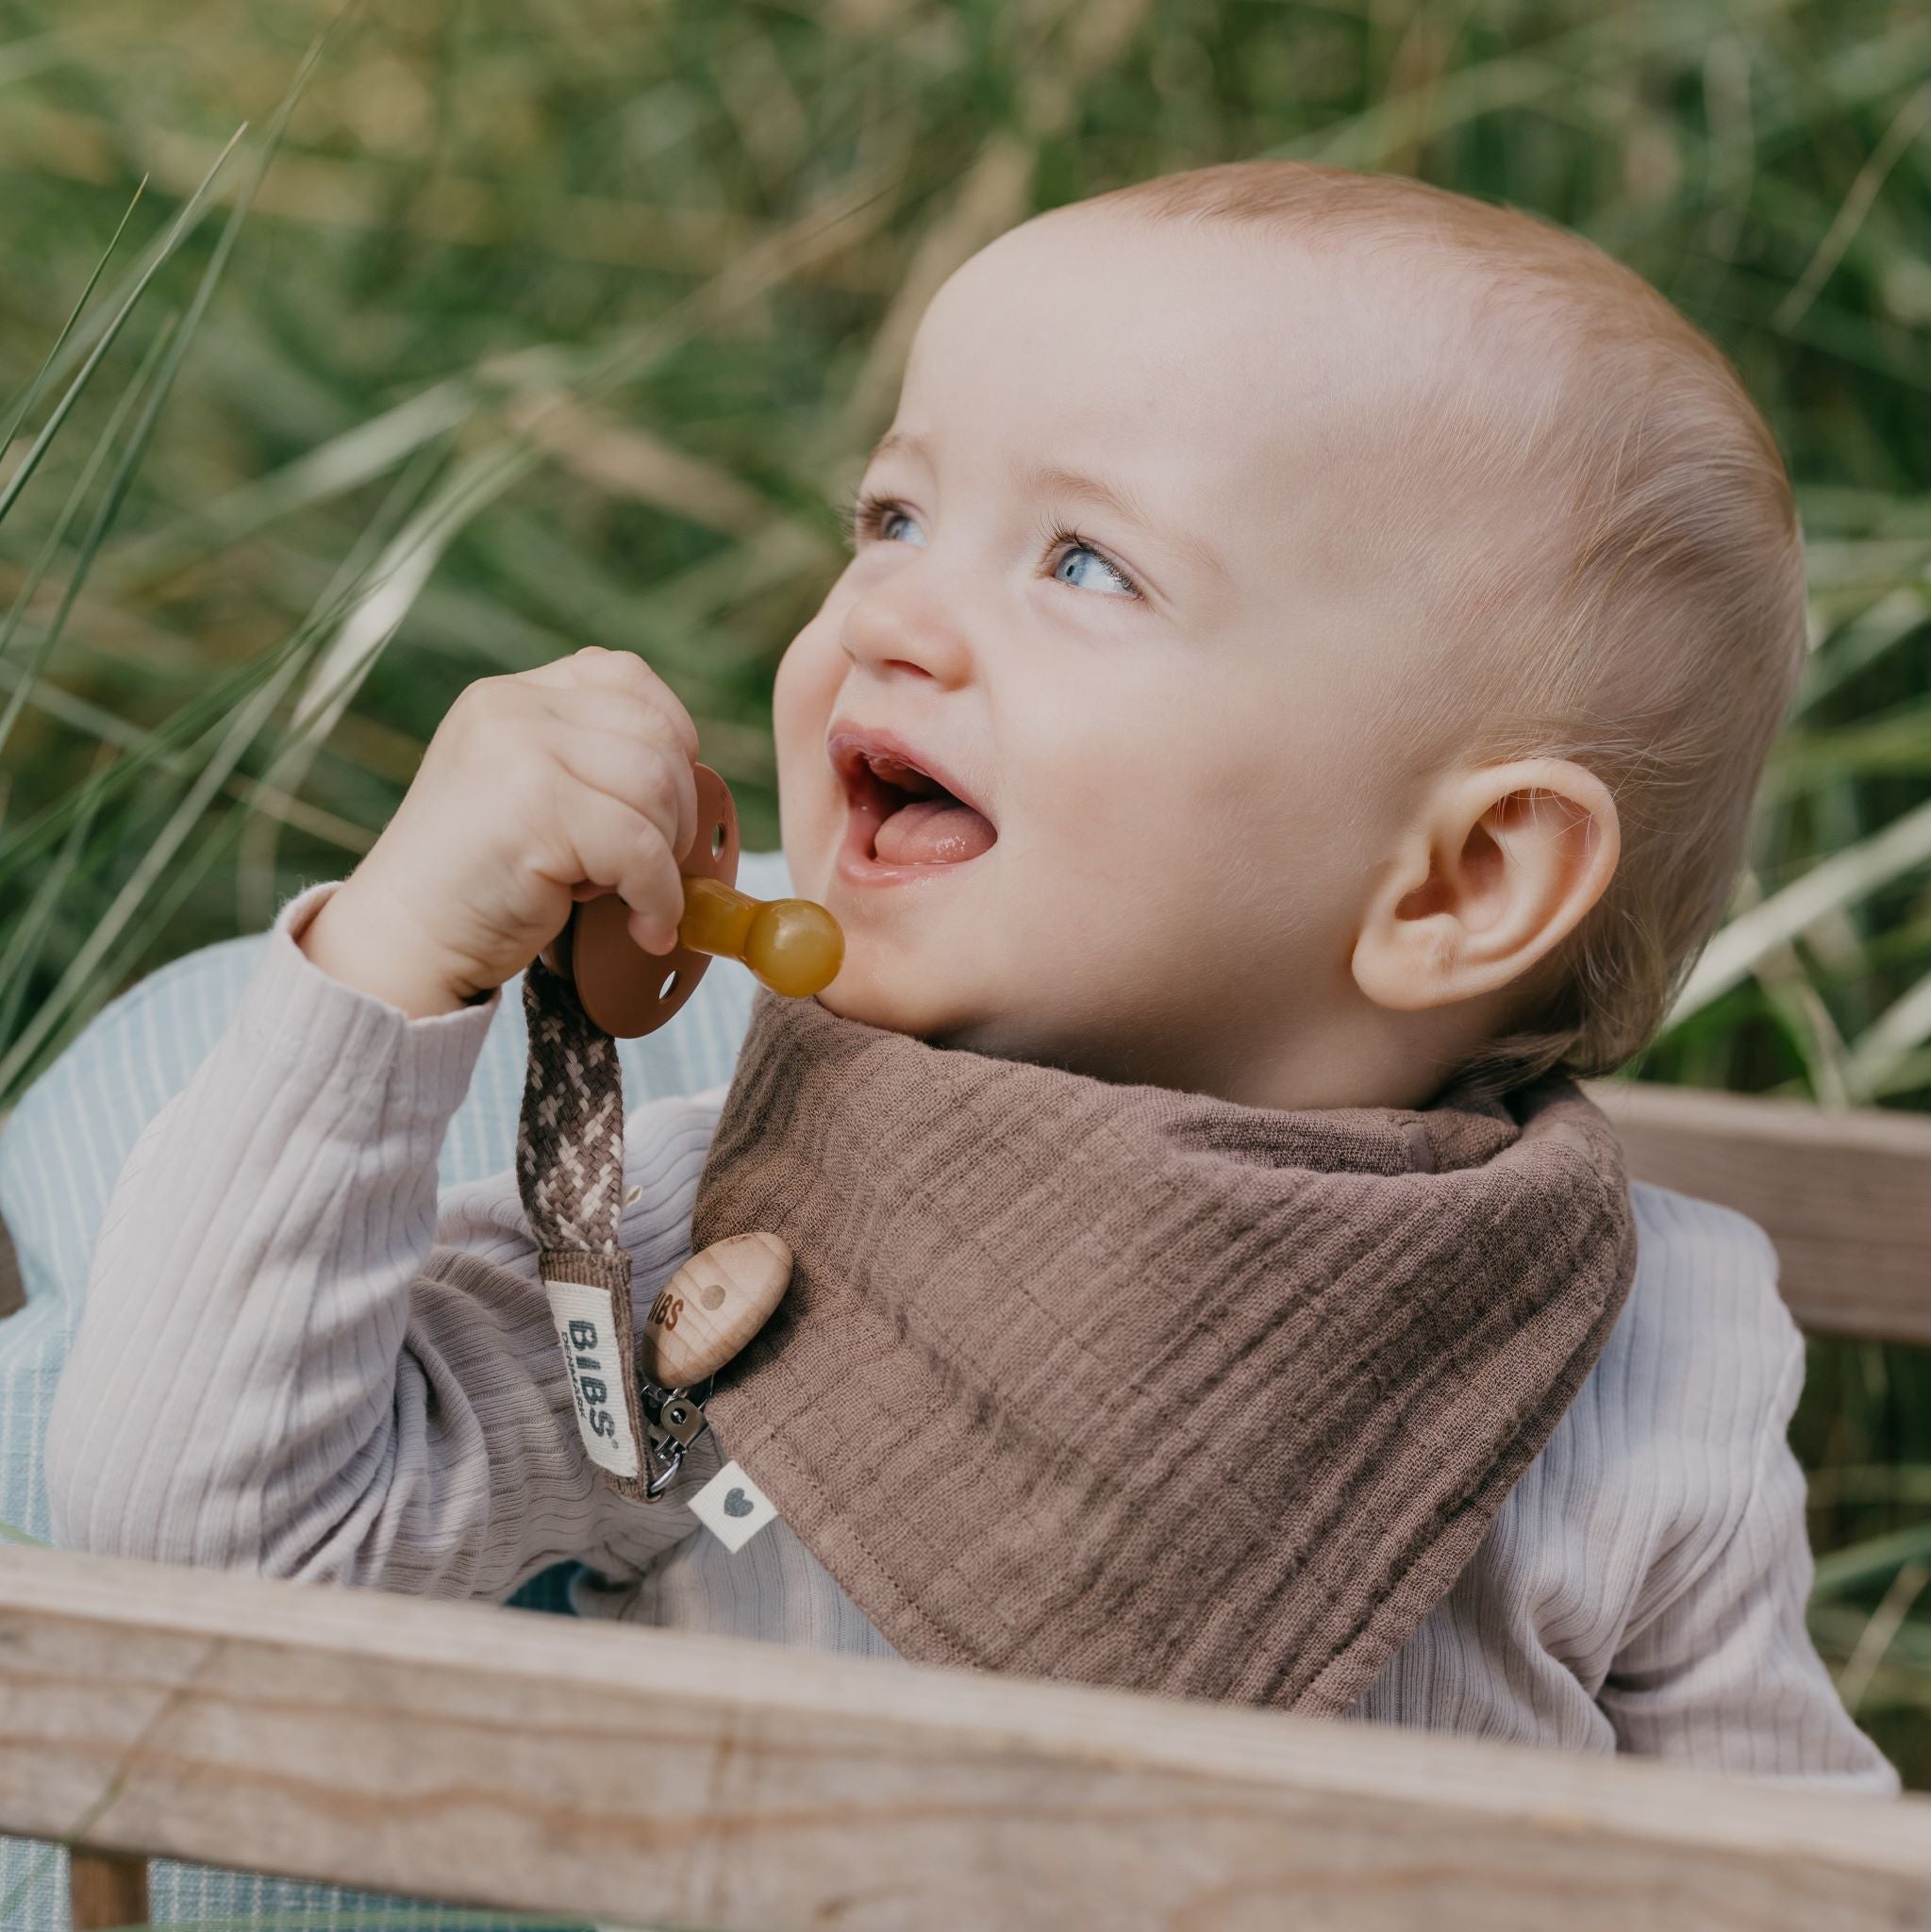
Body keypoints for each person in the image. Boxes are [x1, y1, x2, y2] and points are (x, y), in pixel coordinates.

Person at [43, 160, 1901, 1793]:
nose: (887, 617)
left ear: (1460, 883)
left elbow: (1776, 1865)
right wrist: (392, 962)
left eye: (1084, 561)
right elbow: (204, 1539)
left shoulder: (1642, 1339)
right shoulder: (734, 1253)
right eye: (893, 517)